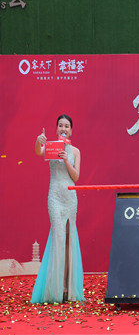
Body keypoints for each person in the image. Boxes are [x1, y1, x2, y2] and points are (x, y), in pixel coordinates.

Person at [31, 114, 85, 303]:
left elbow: (76, 177)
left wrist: (67, 160)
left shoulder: (75, 151)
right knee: (58, 237)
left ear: (71, 130)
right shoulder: (51, 147)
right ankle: (56, 287)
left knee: (69, 240)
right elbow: (38, 152)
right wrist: (39, 141)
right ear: (56, 129)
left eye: (67, 126)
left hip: (70, 197)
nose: (63, 128)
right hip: (55, 197)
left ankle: (68, 286)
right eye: (61, 125)